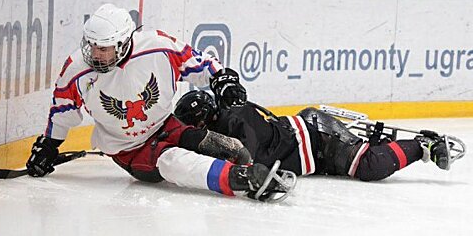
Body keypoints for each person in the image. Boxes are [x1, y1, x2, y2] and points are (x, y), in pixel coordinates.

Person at [26, 3, 292, 201]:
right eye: (92, 45)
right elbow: (62, 110)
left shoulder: (158, 47)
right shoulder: (77, 69)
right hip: (128, 149)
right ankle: (240, 179)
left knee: (230, 147)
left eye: (104, 48)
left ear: (123, 42)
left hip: (167, 125)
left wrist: (222, 79)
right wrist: (50, 145)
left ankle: (249, 171)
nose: (95, 54)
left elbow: (199, 63)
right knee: (172, 161)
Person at [174, 90, 459, 181]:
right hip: (307, 144)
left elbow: (251, 157)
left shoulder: (231, 121)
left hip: (315, 136)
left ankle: (423, 145)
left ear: (205, 116)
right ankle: (373, 144)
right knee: (356, 164)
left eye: (195, 123)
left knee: (370, 166)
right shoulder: (226, 118)